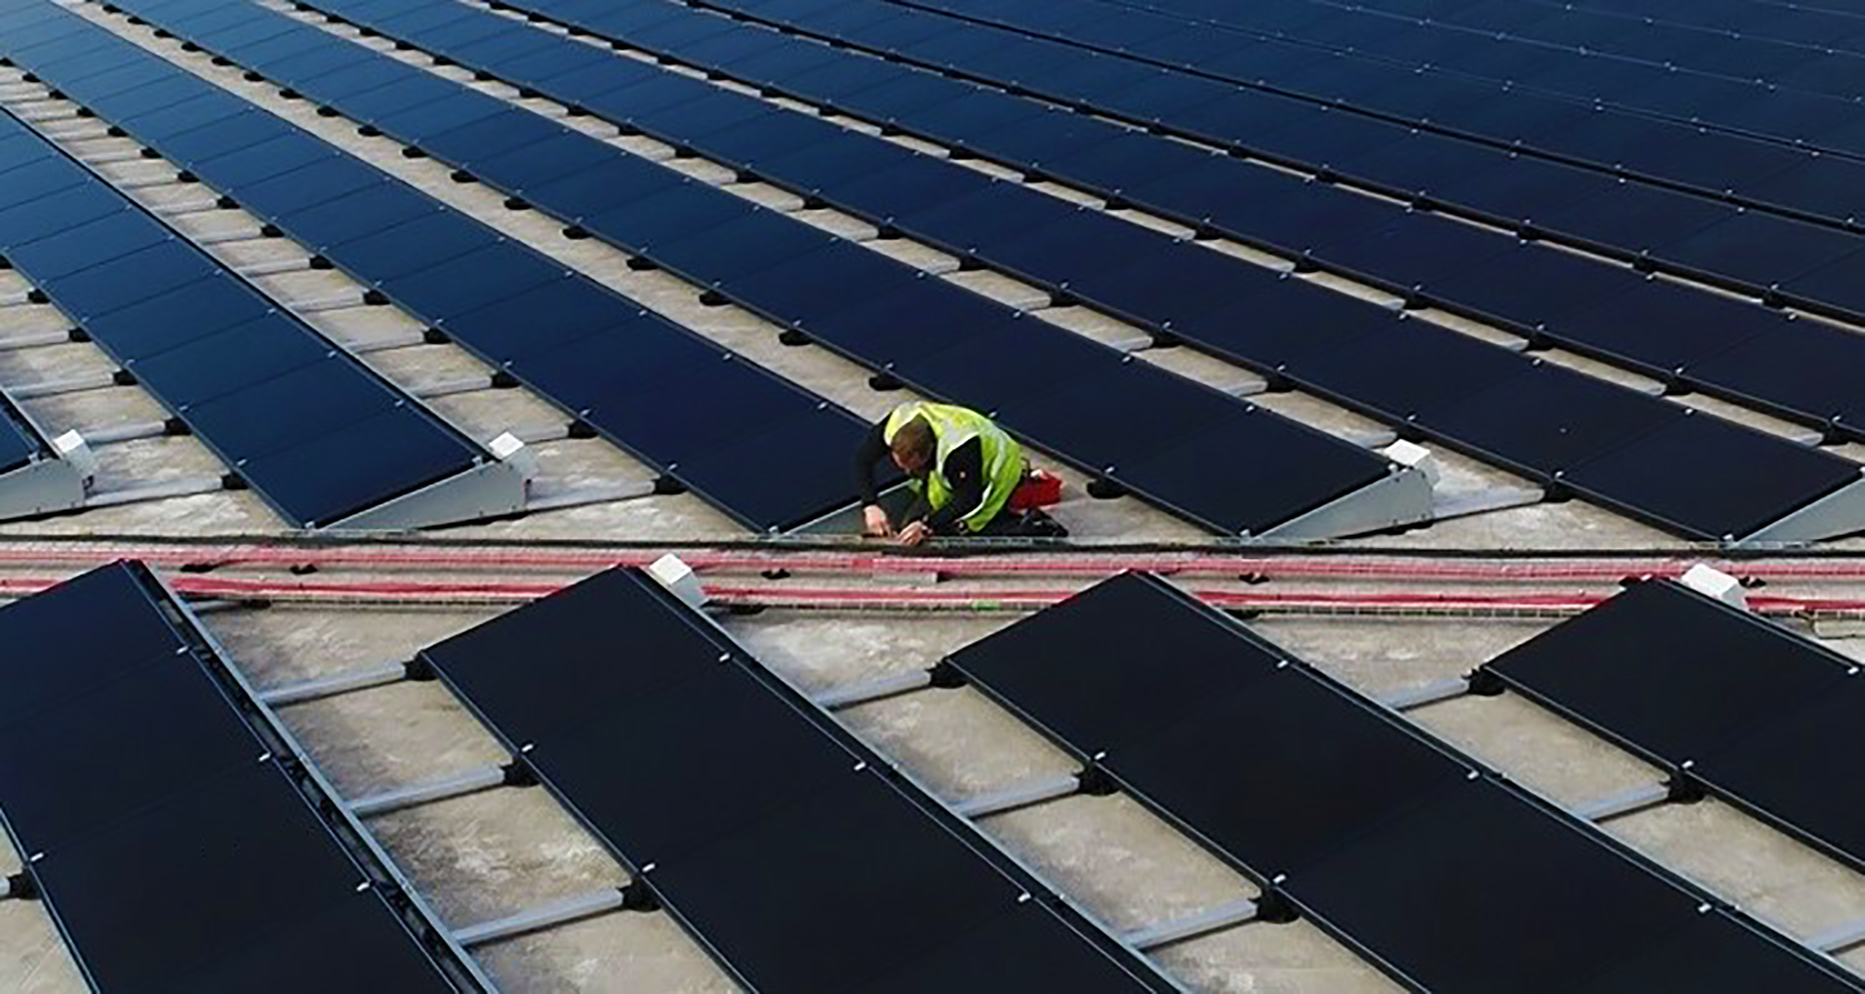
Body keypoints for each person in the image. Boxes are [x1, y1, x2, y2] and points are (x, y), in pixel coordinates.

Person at [853, 401, 1064, 545]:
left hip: (994, 469)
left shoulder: (959, 449)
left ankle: (1032, 525)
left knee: (960, 533)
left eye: (912, 467)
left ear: (929, 453)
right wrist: (870, 505)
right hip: (947, 472)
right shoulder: (896, 425)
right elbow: (862, 461)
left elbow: (968, 498)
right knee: (910, 530)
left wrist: (927, 524)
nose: (908, 472)